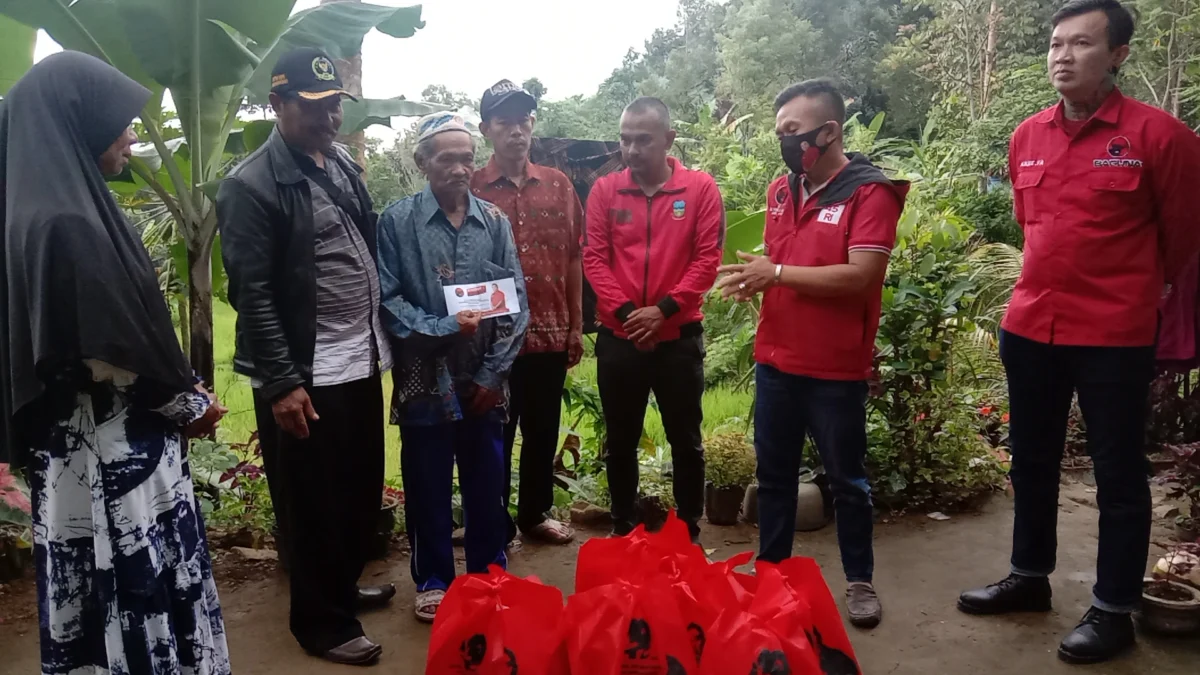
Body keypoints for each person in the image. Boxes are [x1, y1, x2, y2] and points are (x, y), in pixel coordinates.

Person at [957, 0, 1200, 664]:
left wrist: (1138, 291)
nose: (1062, 55)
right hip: (1031, 323)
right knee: (1030, 459)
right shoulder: (1026, 135)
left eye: (1081, 43)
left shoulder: (1163, 138)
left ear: (1118, 55)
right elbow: (1029, 224)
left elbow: (1182, 239)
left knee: (1119, 474)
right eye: (1056, 43)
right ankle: (1029, 577)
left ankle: (1114, 609)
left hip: (1114, 333)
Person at [0, 52, 231, 674]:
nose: (132, 136)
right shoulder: (67, 222)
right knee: (130, 583)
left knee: (93, 589)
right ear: (81, 121)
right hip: (111, 453)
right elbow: (109, 351)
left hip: (75, 454)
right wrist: (191, 403)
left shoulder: (36, 213)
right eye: (122, 121)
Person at [217, 47, 394, 666]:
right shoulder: (250, 184)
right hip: (306, 372)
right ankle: (320, 623)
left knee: (356, 492)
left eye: (334, 104)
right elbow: (252, 293)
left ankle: (339, 589)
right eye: (313, 107)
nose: (327, 118)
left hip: (361, 358)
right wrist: (284, 382)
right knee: (314, 501)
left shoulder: (340, 161)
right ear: (278, 105)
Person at [717, 79, 908, 629]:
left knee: (847, 481)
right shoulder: (782, 190)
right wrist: (758, 279)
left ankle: (859, 581)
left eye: (793, 131)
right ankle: (771, 573)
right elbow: (784, 264)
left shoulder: (871, 194)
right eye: (780, 132)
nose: (785, 141)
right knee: (774, 477)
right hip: (776, 360)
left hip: (834, 368)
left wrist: (774, 273)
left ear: (829, 132)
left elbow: (862, 274)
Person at [377, 112, 529, 622]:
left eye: (467, 158)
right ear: (423, 162)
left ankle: (490, 575)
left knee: (489, 483)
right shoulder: (397, 223)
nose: (461, 169)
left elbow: (515, 305)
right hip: (426, 378)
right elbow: (389, 300)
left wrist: (493, 375)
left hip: (484, 381)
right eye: (448, 159)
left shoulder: (495, 223)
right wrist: (443, 327)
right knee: (427, 483)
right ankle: (434, 579)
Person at [583, 97, 725, 543]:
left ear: (668, 139)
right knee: (620, 440)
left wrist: (662, 310)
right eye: (625, 140)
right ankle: (622, 526)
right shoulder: (605, 190)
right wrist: (628, 315)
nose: (631, 150)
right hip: (618, 338)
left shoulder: (700, 190)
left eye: (642, 140)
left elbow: (706, 261)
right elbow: (594, 258)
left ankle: (688, 531)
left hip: (678, 338)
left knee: (686, 440)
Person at [472, 79, 584, 546]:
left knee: (542, 430)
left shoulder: (558, 185)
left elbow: (575, 255)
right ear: (486, 129)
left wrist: (577, 324)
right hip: (492, 340)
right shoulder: (473, 186)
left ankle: (534, 513)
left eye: (523, 121)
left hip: (551, 332)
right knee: (493, 432)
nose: (516, 131)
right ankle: (492, 522)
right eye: (505, 122)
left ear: (532, 125)